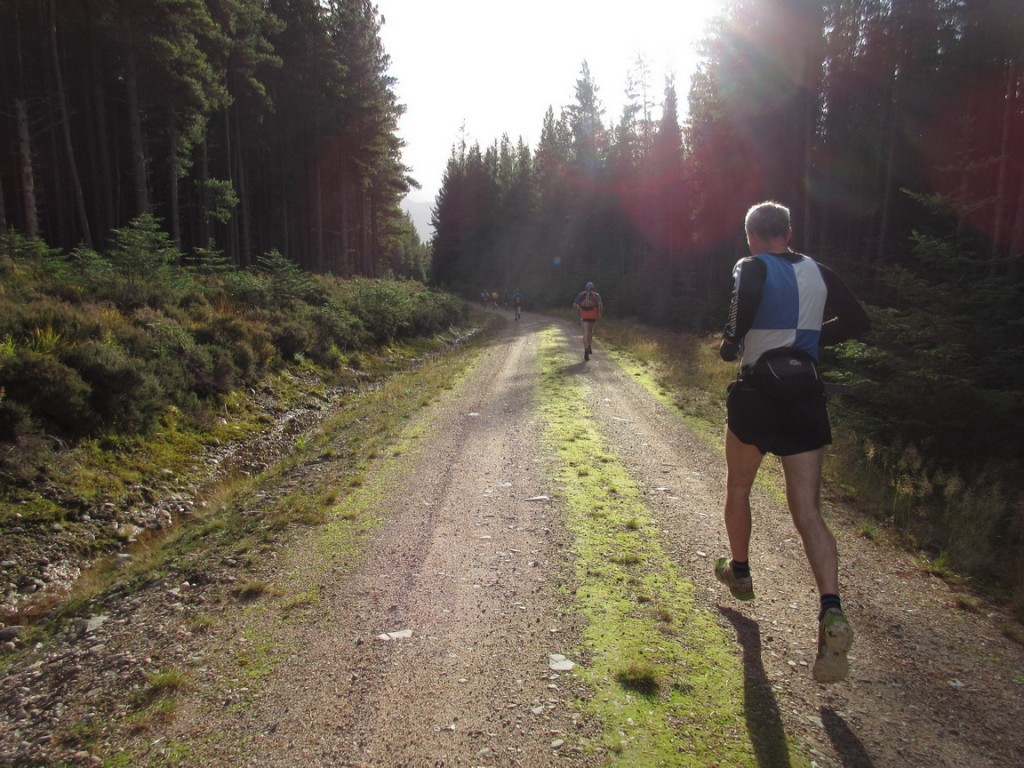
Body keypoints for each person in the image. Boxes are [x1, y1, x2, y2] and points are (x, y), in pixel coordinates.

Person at [715, 201, 870, 684]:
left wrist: (727, 343)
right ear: (788, 231)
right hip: (806, 393)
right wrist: (815, 340)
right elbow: (860, 322)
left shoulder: (751, 265)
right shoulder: (820, 271)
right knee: (808, 510)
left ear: (751, 235)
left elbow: (742, 308)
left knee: (739, 488)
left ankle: (740, 571)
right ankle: (831, 610)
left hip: (759, 391)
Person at [573, 281, 603, 361]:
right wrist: (599, 313)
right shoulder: (596, 295)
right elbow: (600, 304)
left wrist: (579, 310)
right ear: (593, 288)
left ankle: (586, 348)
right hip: (592, 315)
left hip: (584, 314)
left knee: (585, 333)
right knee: (590, 331)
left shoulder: (581, 294)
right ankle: (589, 345)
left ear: (585, 287)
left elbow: (574, 305)